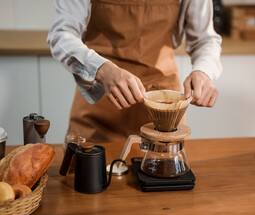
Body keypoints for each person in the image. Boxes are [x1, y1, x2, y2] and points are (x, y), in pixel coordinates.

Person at [47, 0, 222, 142]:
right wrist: (102, 69)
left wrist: (203, 72)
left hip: (164, 109)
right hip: (99, 104)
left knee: (164, 181)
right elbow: (61, 35)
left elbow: (205, 39)